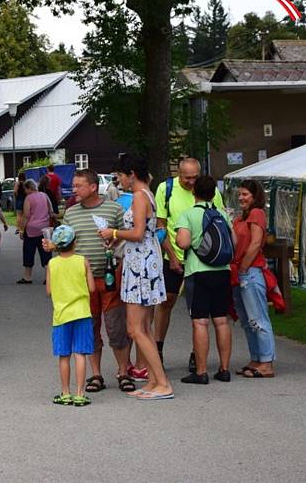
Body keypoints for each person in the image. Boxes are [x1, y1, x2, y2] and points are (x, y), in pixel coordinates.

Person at [43, 169, 135, 393]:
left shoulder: (114, 209)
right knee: (90, 327)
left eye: (78, 186)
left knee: (116, 327)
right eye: (73, 185)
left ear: (93, 187)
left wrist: (117, 251)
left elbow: (125, 239)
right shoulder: (71, 213)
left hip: (109, 277)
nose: (74, 189)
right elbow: (66, 242)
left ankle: (123, 371)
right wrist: (53, 246)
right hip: (82, 282)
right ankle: (96, 375)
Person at [98, 154, 173, 400]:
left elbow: (139, 232)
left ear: (131, 173)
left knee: (135, 328)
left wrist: (114, 231)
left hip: (140, 265)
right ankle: (153, 380)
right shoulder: (146, 194)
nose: (118, 180)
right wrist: (117, 237)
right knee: (143, 328)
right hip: (141, 262)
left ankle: (162, 383)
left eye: (120, 175)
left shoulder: (140, 196)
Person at [155, 157, 225, 371]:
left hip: (201, 260)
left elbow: (219, 220)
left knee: (199, 311)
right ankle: (157, 347)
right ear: (179, 174)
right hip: (173, 256)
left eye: (196, 177)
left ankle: (197, 354)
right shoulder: (166, 189)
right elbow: (161, 227)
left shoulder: (210, 191)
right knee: (166, 301)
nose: (192, 182)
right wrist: (173, 258)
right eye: (187, 178)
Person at [174, 175, 233, 385]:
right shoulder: (222, 215)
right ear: (213, 193)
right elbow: (232, 241)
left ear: (194, 192)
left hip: (198, 271)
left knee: (200, 321)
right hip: (222, 271)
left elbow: (183, 242)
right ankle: (224, 369)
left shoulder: (188, 215)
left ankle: (201, 371)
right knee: (221, 320)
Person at [46, 225, 96, 407]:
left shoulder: (52, 264)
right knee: (80, 353)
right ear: (75, 243)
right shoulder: (82, 261)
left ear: (56, 246)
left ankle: (65, 393)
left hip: (61, 315)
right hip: (82, 313)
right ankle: (80, 394)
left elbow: (49, 290)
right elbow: (92, 288)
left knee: (64, 355)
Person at [231, 179, 276, 379]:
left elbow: (256, 242)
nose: (241, 198)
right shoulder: (242, 217)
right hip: (241, 271)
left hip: (250, 271)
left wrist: (244, 266)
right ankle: (256, 358)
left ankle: (266, 361)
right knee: (248, 321)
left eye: (245, 194)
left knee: (258, 318)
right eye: (240, 194)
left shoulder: (257, 214)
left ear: (254, 196)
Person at [17, 179, 53, 284]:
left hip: (31, 230)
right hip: (44, 229)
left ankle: (27, 277)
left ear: (28, 188)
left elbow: (26, 215)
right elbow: (50, 211)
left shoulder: (28, 198)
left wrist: (22, 230)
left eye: (25, 189)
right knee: (45, 252)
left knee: (28, 252)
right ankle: (48, 277)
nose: (24, 191)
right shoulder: (44, 195)